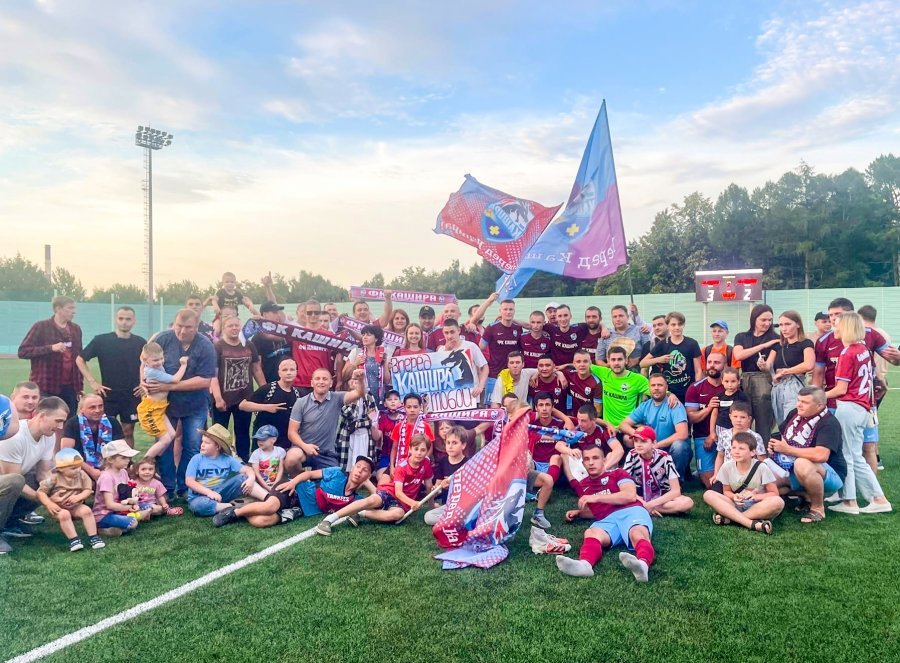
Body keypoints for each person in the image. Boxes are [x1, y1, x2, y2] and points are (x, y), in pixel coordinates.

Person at [554, 445, 657, 582]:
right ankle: (585, 565)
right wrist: (578, 513)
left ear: (604, 460)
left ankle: (643, 565)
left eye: (595, 458)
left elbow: (630, 495)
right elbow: (595, 510)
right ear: (583, 463)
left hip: (632, 511)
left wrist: (596, 497)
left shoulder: (618, 473)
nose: (591, 462)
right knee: (591, 533)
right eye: (586, 459)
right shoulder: (583, 485)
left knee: (636, 533)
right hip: (607, 519)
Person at [144, 309, 217, 496]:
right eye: (179, 326)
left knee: (192, 445)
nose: (182, 331)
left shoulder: (206, 345)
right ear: (174, 323)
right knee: (164, 444)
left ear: (197, 326)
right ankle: (167, 488)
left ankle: (185, 486)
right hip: (164, 405)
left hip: (195, 404)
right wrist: (143, 382)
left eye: (188, 327)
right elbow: (144, 360)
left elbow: (205, 380)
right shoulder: (163, 339)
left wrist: (169, 386)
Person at [824, 312, 891, 515]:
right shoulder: (863, 349)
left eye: (837, 324)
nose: (833, 328)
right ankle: (875, 498)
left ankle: (851, 501)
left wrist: (819, 395)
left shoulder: (847, 353)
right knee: (854, 455)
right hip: (862, 406)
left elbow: (841, 389)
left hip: (850, 406)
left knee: (848, 455)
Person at [315, 434, 435, 534]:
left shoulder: (426, 463)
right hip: (389, 493)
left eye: (423, 450)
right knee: (371, 501)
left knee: (398, 514)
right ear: (410, 449)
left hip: (401, 504)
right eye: (416, 449)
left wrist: (431, 508)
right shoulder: (402, 466)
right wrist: (412, 502)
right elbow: (398, 493)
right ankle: (329, 519)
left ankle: (361, 513)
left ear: (427, 451)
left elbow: (429, 486)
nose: (419, 453)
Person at [215, 457, 378, 529]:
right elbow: (309, 474)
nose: (359, 471)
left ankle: (248, 508)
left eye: (364, 470)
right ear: (352, 468)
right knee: (270, 507)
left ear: (368, 476)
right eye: (358, 467)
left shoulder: (356, 499)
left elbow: (378, 499)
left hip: (299, 510)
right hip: (294, 490)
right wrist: (293, 482)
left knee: (262, 520)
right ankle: (232, 513)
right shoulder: (337, 473)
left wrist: (367, 483)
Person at [768, 387, 845, 524]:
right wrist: (773, 445)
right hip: (793, 468)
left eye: (805, 402)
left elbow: (821, 455)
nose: (799, 405)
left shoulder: (829, 423)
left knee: (802, 463)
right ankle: (806, 494)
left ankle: (818, 508)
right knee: (764, 482)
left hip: (830, 474)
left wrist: (787, 449)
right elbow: (781, 435)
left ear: (819, 406)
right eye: (798, 400)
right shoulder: (795, 413)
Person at [0, 396, 68, 543]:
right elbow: (12, 478)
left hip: (12, 481)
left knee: (53, 479)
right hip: (6, 481)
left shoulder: (48, 436)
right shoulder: (16, 436)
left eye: (63, 421)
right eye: (58, 421)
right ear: (42, 416)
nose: (60, 426)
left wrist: (60, 492)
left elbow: (43, 474)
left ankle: (10, 523)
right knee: (15, 481)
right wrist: (45, 500)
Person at [76, 305, 146, 445]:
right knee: (103, 431)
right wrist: (93, 382)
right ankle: (102, 458)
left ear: (134, 321)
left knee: (128, 431)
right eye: (121, 318)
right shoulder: (101, 341)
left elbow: (150, 364)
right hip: (108, 394)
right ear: (115, 319)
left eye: (128, 319)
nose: (124, 322)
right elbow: (80, 359)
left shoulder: (141, 343)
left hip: (132, 394)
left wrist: (144, 383)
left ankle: (126, 458)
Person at [284, 368, 368, 475]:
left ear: (331, 383)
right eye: (317, 379)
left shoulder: (337, 398)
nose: (321, 382)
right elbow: (292, 433)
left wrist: (360, 380)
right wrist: (305, 446)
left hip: (326, 453)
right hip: (303, 449)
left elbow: (359, 393)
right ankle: (300, 481)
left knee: (336, 479)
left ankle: (312, 478)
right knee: (291, 459)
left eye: (325, 379)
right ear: (312, 383)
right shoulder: (301, 402)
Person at [703, 432, 785, 534]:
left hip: (758, 505)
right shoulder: (726, 467)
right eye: (734, 448)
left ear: (752, 452)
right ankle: (750, 523)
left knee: (778, 502)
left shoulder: (762, 467)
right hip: (736, 504)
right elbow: (726, 491)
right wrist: (734, 496)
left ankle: (731, 519)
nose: (736, 452)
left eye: (741, 448)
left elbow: (774, 493)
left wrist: (755, 496)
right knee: (708, 494)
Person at [17, 295, 83, 415]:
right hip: (46, 386)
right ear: (58, 309)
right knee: (45, 421)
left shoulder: (76, 329)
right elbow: (23, 351)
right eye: (70, 308)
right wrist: (51, 348)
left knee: (67, 422)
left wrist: (79, 387)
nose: (74, 311)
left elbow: (79, 359)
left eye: (74, 308)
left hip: (70, 388)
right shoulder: (41, 326)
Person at [185, 424, 269, 517]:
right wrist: (209, 492)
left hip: (221, 493)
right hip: (199, 496)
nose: (202, 445)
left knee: (244, 478)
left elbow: (247, 469)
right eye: (202, 441)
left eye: (207, 443)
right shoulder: (196, 459)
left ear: (218, 446)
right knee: (199, 506)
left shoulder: (227, 459)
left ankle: (269, 499)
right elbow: (189, 482)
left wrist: (251, 478)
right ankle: (233, 507)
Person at [211, 316, 264, 462]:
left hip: (245, 399)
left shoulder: (248, 345)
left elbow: (256, 369)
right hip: (223, 399)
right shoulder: (218, 347)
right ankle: (218, 461)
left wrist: (265, 390)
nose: (234, 328)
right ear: (224, 328)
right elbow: (212, 375)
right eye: (230, 326)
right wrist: (218, 398)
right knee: (219, 433)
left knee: (243, 432)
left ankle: (243, 461)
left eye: (236, 325)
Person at [619, 374, 691, 479]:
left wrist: (656, 445)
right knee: (627, 438)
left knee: (679, 446)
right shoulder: (645, 406)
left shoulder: (674, 405)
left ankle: (677, 481)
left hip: (670, 448)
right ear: (649, 388)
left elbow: (683, 434)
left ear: (666, 388)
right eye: (653, 385)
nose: (656, 388)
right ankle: (638, 477)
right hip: (650, 447)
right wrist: (640, 436)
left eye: (660, 385)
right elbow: (623, 424)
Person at [36, 448, 105, 551]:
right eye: (73, 468)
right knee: (64, 515)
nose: (77, 470)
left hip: (76, 506)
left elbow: (87, 489)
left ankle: (94, 537)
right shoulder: (54, 477)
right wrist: (49, 504)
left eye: (79, 467)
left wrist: (78, 497)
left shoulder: (82, 475)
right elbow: (41, 492)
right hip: (59, 507)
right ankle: (74, 539)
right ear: (60, 469)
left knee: (86, 511)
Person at [622, 426, 694, 516]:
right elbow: (624, 486)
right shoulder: (632, 455)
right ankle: (649, 508)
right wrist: (643, 502)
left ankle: (643, 508)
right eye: (636, 441)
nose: (638, 445)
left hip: (661, 494)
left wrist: (650, 505)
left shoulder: (665, 457)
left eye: (643, 441)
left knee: (687, 502)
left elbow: (676, 491)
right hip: (639, 494)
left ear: (653, 443)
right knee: (622, 496)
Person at [733, 304, 781, 438]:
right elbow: (738, 355)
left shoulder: (775, 338)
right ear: (754, 319)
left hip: (763, 381)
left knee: (763, 424)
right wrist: (762, 346)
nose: (767, 323)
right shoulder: (741, 336)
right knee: (742, 421)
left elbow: (769, 364)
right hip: (745, 380)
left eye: (770, 320)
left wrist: (764, 366)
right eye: (763, 320)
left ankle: (763, 449)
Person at [137, 342, 189, 462]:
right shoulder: (152, 371)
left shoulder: (148, 363)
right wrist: (183, 365)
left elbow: (142, 359)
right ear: (146, 360)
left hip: (159, 408)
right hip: (151, 410)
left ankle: (154, 462)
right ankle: (142, 464)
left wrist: (153, 339)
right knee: (165, 440)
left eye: (161, 358)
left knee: (172, 435)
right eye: (156, 360)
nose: (160, 362)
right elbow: (175, 379)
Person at [684, 352, 727, 488]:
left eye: (717, 362)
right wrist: (708, 408)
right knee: (710, 483)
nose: (712, 365)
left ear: (725, 365)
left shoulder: (730, 386)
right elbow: (691, 418)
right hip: (702, 438)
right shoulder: (695, 388)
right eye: (709, 362)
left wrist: (715, 434)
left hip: (728, 437)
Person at [240, 358, 302, 451]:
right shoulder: (269, 389)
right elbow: (243, 405)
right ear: (279, 373)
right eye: (285, 370)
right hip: (264, 440)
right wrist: (266, 407)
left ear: (296, 372)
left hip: (284, 442)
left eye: (292, 370)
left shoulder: (297, 394)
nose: (288, 373)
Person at [641, 311, 701, 404]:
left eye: (679, 324)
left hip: (688, 391)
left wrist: (696, 389)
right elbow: (642, 363)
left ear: (684, 325)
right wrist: (659, 359)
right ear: (668, 326)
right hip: (669, 393)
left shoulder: (692, 343)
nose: (677, 327)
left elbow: (698, 370)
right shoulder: (663, 344)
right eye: (673, 325)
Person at [766, 311, 814, 426]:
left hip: (794, 384)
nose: (784, 328)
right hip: (777, 386)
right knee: (781, 423)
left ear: (798, 324)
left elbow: (809, 364)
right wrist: (762, 364)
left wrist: (785, 372)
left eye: (787, 324)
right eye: (781, 325)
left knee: (793, 421)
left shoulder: (805, 343)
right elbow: (768, 365)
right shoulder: (778, 346)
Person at [60, 393, 124, 480]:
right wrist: (91, 471)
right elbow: (66, 453)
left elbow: (122, 450)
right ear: (82, 409)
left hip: (109, 467)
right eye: (92, 407)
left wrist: (108, 471)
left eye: (100, 406)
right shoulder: (72, 423)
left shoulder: (112, 422)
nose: (98, 410)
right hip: (79, 467)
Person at [858, 305, 890, 472]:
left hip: (873, 383)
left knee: (869, 423)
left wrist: (878, 380)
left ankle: (874, 457)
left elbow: (872, 361)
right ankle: (873, 456)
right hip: (879, 380)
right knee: (872, 422)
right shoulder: (884, 333)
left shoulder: (870, 334)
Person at [590, 346, 650, 428]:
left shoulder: (638, 380)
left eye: (620, 359)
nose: (616, 363)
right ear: (608, 361)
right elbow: (583, 365)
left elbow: (659, 393)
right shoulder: (604, 373)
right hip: (609, 428)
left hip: (628, 428)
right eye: (613, 360)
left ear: (626, 360)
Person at [92, 439, 140, 535]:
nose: (128, 460)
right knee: (132, 521)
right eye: (123, 457)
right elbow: (109, 505)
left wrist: (134, 503)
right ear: (110, 459)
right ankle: (102, 528)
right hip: (104, 514)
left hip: (119, 510)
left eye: (128, 457)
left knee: (140, 511)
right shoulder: (106, 477)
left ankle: (114, 529)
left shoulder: (123, 472)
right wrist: (130, 507)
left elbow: (127, 493)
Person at [480, 297, 525, 401]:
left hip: (512, 376)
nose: (508, 312)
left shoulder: (518, 329)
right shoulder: (491, 328)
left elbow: (520, 351)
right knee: (492, 406)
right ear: (500, 311)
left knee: (512, 405)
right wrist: (483, 368)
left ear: (514, 311)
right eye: (505, 309)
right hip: (494, 375)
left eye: (511, 309)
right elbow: (480, 348)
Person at [712, 401, 766, 481]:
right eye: (735, 416)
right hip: (728, 475)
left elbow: (761, 459)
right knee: (713, 488)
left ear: (749, 419)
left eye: (742, 417)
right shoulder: (724, 435)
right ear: (730, 416)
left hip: (749, 476)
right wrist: (716, 474)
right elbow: (720, 456)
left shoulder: (755, 437)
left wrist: (762, 477)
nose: (738, 420)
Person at [335, 375, 380, 471]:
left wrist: (359, 424)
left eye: (358, 380)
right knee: (347, 464)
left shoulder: (369, 397)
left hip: (365, 435)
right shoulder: (343, 397)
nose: (355, 382)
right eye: (352, 379)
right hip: (348, 435)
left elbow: (373, 417)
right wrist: (355, 397)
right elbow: (350, 414)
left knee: (363, 462)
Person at [437, 319, 489, 402]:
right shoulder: (441, 350)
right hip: (450, 399)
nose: (449, 336)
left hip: (471, 396)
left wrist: (480, 387)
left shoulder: (471, 346)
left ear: (458, 330)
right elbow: (439, 374)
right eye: (446, 333)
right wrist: (446, 352)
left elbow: (484, 367)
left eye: (452, 332)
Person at [343, 324, 389, 405]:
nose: (364, 337)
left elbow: (387, 381)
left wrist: (385, 364)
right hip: (359, 395)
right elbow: (345, 375)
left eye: (368, 335)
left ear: (376, 339)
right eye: (363, 334)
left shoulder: (382, 354)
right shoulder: (356, 352)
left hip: (378, 395)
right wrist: (355, 363)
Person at [389, 393, 435, 472]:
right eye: (409, 407)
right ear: (404, 407)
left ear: (420, 407)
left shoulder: (425, 426)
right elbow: (394, 448)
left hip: (419, 464)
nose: (412, 410)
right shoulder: (399, 426)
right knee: (382, 479)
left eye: (415, 407)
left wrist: (422, 461)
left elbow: (430, 448)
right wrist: (392, 467)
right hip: (400, 464)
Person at [596, 305, 649, 369]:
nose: (618, 319)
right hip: (613, 373)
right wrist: (609, 365)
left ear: (627, 317)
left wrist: (638, 360)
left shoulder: (640, 331)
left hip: (637, 372)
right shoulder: (606, 334)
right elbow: (599, 359)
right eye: (615, 317)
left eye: (621, 316)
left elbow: (650, 352)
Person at [250, 301, 291, 383]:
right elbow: (257, 368)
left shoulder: (289, 332)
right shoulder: (257, 338)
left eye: (279, 312)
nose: (278, 315)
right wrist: (264, 387)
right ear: (265, 315)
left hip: (292, 383)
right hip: (271, 383)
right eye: (275, 312)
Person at [708, 367, 749, 448]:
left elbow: (747, 414)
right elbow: (714, 414)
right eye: (726, 381)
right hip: (721, 427)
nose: (730, 385)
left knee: (736, 447)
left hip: (737, 428)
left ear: (738, 381)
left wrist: (745, 429)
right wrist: (712, 432)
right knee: (723, 449)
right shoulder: (719, 396)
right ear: (722, 381)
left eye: (733, 381)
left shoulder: (742, 396)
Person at [560, 350, 602, 417]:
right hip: (574, 416)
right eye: (578, 362)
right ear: (574, 364)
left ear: (590, 363)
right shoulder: (570, 374)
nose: (582, 365)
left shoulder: (596, 383)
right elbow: (552, 371)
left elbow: (598, 412)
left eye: (585, 361)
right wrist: (559, 374)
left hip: (589, 419)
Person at [248, 425, 286, 490]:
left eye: (263, 439)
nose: (260, 442)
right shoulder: (256, 454)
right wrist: (267, 487)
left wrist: (275, 484)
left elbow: (281, 469)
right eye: (258, 439)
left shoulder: (280, 451)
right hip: (260, 484)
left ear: (273, 439)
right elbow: (257, 473)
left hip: (276, 483)